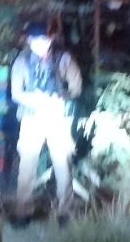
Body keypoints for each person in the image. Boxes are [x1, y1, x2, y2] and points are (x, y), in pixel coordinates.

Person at [9, 21, 83, 223]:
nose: (41, 43)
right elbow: (16, 92)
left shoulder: (63, 58)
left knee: (62, 163)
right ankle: (23, 210)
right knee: (27, 164)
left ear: (50, 39)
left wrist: (61, 97)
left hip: (57, 117)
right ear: (30, 41)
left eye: (44, 39)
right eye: (36, 40)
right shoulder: (22, 61)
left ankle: (65, 211)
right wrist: (35, 99)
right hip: (31, 118)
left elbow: (76, 86)